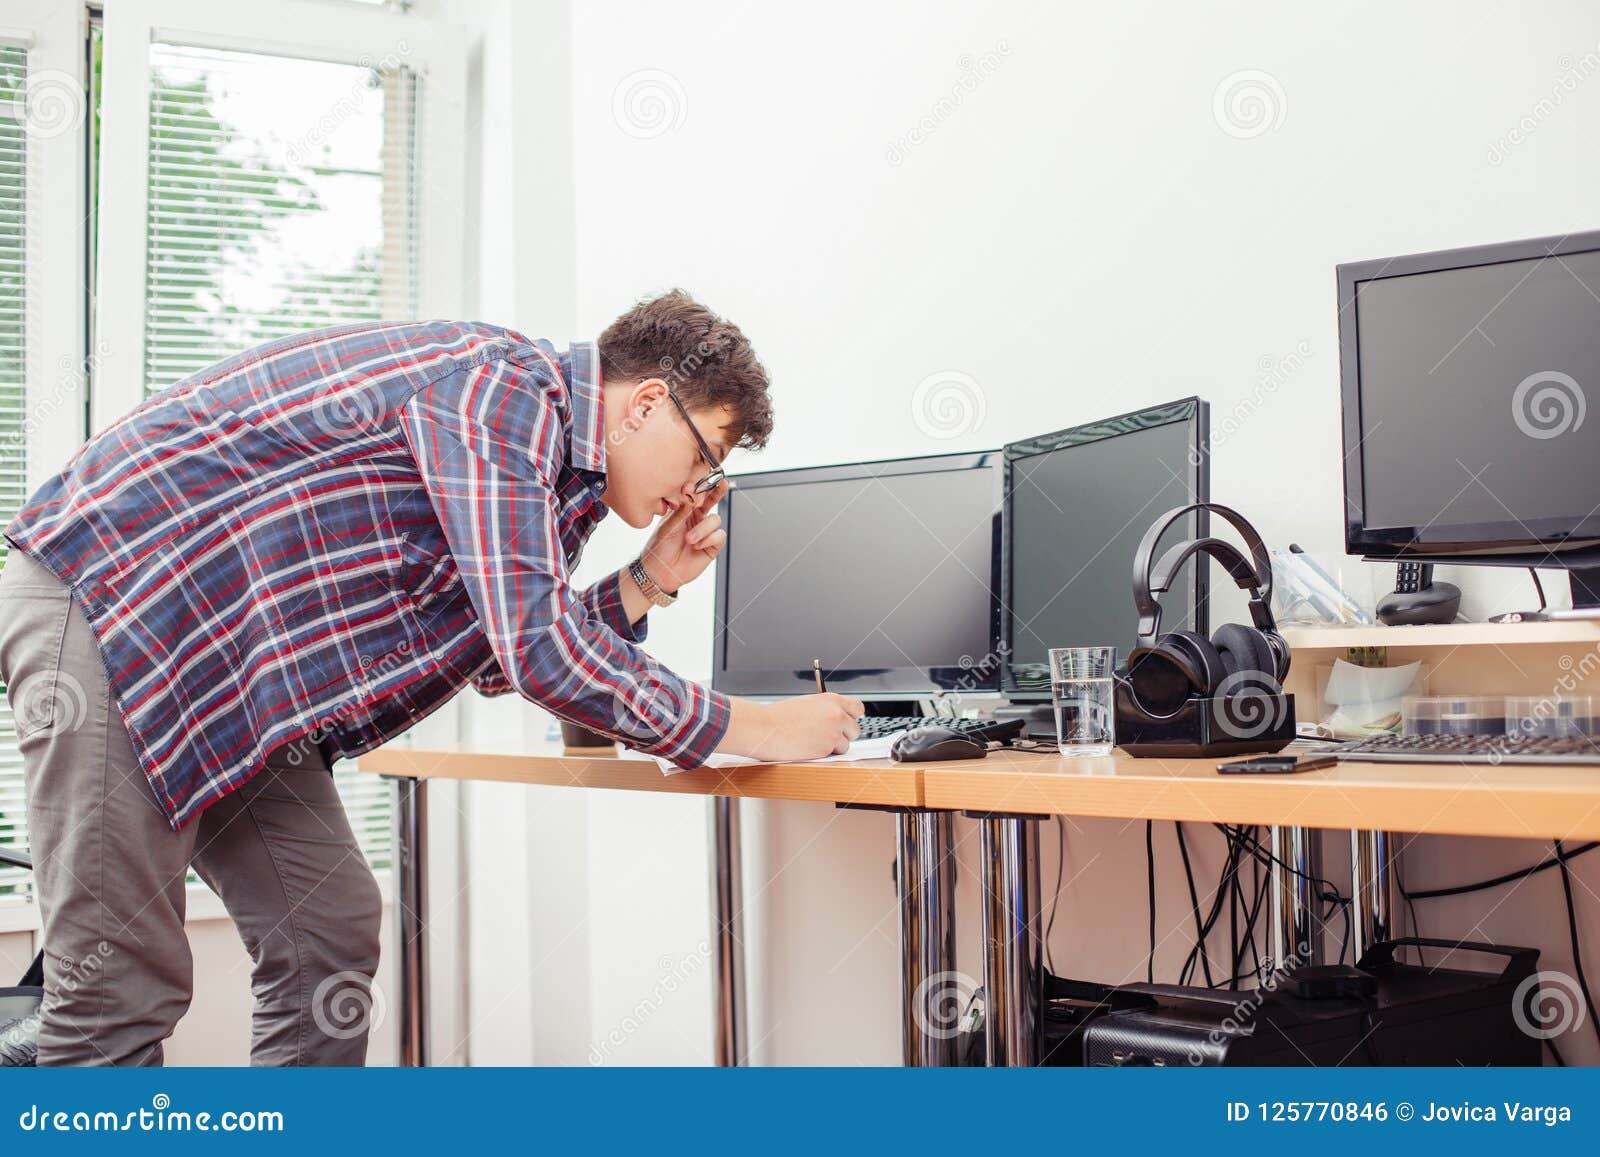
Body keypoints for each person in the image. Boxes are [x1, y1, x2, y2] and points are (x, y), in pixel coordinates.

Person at [0, 289, 863, 1066]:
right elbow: (543, 654)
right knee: (115, 994)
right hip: (118, 607)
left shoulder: (555, 479)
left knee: (328, 931)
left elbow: (497, 660)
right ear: (645, 403)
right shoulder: (502, 394)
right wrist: (764, 725)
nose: (699, 489)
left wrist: (649, 580)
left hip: (235, 677)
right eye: (706, 455)